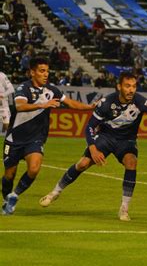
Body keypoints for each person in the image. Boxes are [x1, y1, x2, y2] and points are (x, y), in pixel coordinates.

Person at [39, 72, 147, 221]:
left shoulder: (141, 101)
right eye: (127, 86)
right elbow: (90, 127)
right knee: (83, 164)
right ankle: (55, 192)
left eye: (134, 86)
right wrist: (93, 148)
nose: (131, 90)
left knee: (131, 162)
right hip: (106, 138)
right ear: (119, 87)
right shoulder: (106, 103)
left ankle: (124, 209)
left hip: (127, 140)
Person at [2, 58, 94, 215]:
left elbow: (71, 103)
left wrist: (89, 107)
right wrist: (42, 104)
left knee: (34, 168)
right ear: (32, 72)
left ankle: (14, 196)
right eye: (42, 71)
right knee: (9, 175)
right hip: (15, 139)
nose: (46, 74)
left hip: (35, 139)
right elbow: (20, 105)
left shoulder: (52, 90)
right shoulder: (24, 87)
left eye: (47, 71)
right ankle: (6, 200)